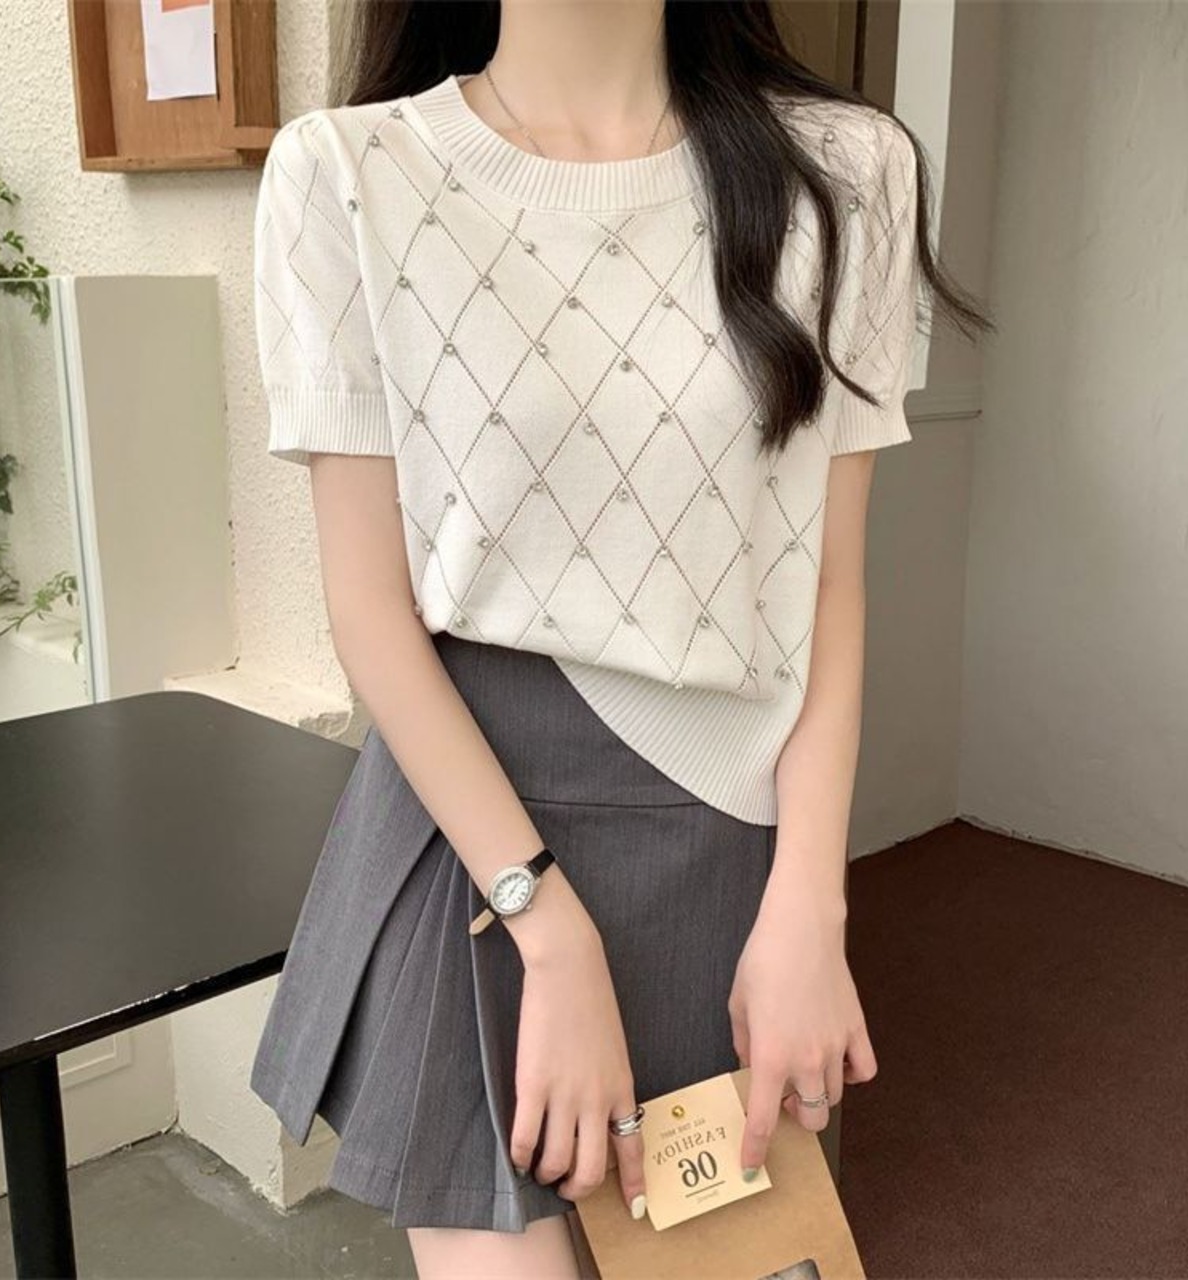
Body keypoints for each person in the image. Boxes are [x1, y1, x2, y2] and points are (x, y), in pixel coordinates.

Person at [247, 2, 994, 1277]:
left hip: (726, 833)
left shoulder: (845, 173)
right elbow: (370, 609)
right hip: (472, 839)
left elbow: (825, 585)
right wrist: (546, 929)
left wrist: (809, 905)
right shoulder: (347, 170)